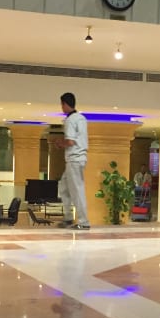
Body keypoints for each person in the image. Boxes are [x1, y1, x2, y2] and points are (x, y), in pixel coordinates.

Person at [53, 92, 90, 230]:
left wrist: (59, 143)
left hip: (74, 159)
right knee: (63, 187)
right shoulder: (81, 118)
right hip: (79, 159)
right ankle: (68, 217)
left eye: (61, 104)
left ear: (64, 104)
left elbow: (70, 141)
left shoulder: (70, 120)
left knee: (77, 190)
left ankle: (84, 222)